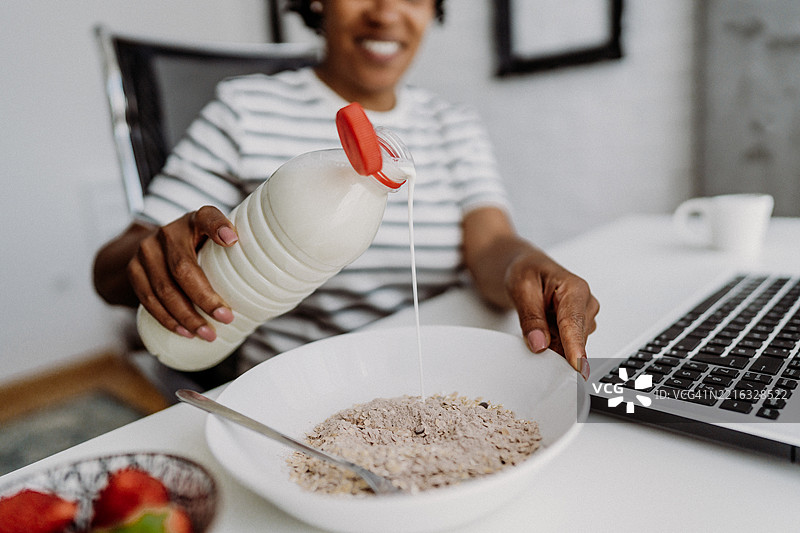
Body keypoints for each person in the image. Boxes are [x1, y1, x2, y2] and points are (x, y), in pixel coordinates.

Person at [93, 0, 599, 386]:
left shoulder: (453, 124)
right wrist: (153, 250)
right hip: (300, 384)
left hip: (434, 369)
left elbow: (490, 246)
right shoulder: (244, 109)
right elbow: (111, 270)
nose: (385, 14)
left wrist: (527, 267)